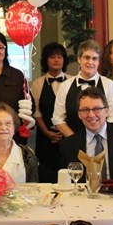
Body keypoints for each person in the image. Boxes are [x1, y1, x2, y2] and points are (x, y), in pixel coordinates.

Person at [52, 39, 113, 139]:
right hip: (73, 144)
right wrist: (75, 140)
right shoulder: (65, 86)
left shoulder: (109, 85)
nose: (90, 62)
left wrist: (97, 139)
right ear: (79, 59)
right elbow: (58, 119)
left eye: (94, 58)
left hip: (102, 142)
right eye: (87, 57)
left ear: (98, 62)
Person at [30, 42, 72, 183]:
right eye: (52, 56)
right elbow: (36, 112)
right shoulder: (37, 84)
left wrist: (65, 133)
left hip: (69, 136)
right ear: (46, 60)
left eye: (59, 56)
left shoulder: (73, 81)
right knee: (46, 175)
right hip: (45, 138)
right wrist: (47, 133)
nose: (56, 59)